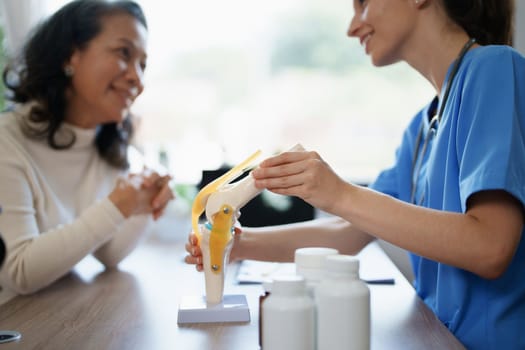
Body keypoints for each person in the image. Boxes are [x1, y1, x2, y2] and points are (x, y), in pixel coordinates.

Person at [186, 0, 525, 348]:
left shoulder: (495, 69)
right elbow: (349, 231)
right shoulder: (422, 128)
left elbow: (490, 247)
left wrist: (339, 193)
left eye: (363, 4)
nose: (352, 27)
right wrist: (239, 245)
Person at [0, 0, 174, 301]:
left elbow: (109, 253)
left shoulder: (106, 141)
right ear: (71, 54)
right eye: (124, 53)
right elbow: (19, 271)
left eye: (142, 65)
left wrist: (140, 206)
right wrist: (118, 207)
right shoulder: (7, 140)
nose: (138, 79)